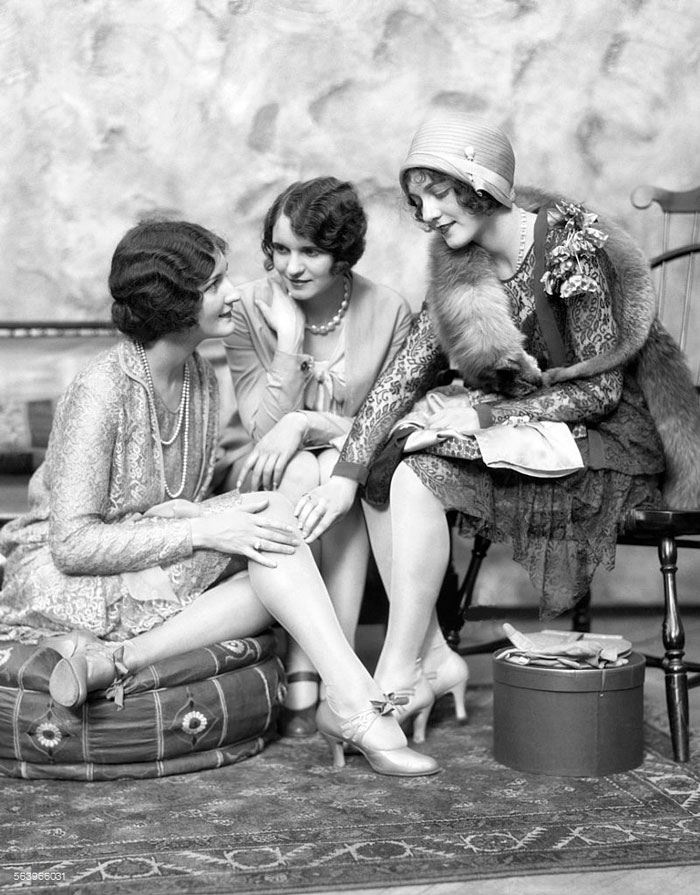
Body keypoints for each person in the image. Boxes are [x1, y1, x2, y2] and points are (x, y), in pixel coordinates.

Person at [291, 111, 679, 743]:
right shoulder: (458, 264)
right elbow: (405, 370)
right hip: (519, 426)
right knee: (397, 463)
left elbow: (601, 388)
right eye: (418, 202)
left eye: (438, 193)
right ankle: (428, 660)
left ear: (482, 184)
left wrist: (485, 415)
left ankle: (398, 670)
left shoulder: (569, 245)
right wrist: (345, 473)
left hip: (604, 437)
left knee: (422, 464)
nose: (430, 215)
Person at [0, 219, 437, 777]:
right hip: (63, 571)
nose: (234, 293)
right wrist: (204, 529)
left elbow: (180, 495)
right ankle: (352, 700)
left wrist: (198, 515)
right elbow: (72, 544)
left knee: (274, 533)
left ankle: (116, 663)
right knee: (268, 548)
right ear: (173, 302)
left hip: (151, 544)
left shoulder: (198, 376)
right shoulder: (100, 389)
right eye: (214, 285)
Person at [215, 177, 413, 737]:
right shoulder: (250, 306)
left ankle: (316, 666)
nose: (292, 267)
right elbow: (260, 431)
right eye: (281, 249)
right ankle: (338, 671)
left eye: (312, 251)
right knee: (313, 466)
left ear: (343, 253)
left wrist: (309, 422)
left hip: (340, 469)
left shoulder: (389, 309)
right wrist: (289, 340)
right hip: (257, 467)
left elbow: (386, 425)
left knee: (327, 465)